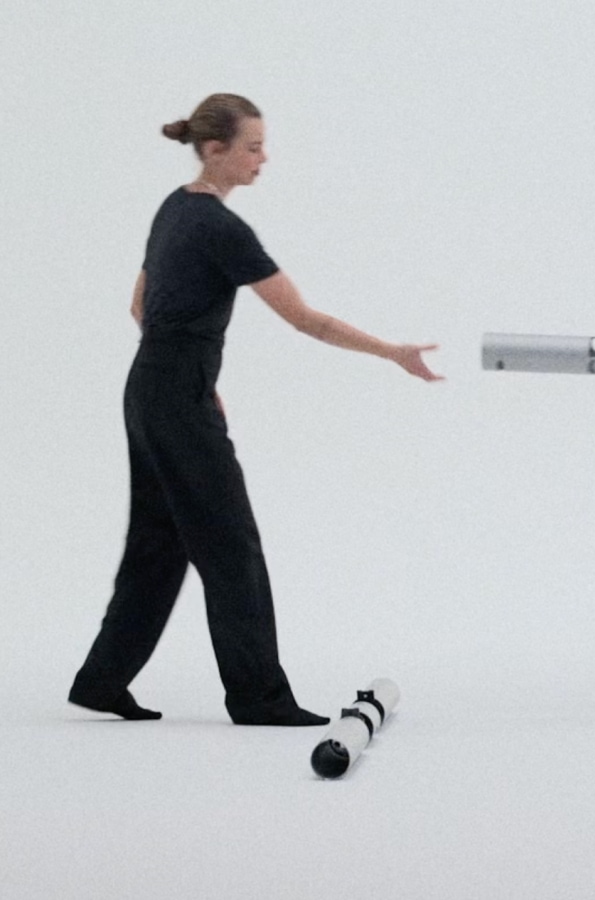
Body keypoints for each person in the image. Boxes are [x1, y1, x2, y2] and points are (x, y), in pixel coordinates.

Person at [68, 94, 442, 726]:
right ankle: (258, 697)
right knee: (230, 545)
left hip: (147, 390)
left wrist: (186, 371)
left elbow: (140, 305)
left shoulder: (174, 208)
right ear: (215, 150)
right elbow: (306, 320)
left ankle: (101, 681)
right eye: (252, 147)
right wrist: (392, 352)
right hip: (176, 398)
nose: (263, 158)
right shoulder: (221, 228)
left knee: (158, 542)